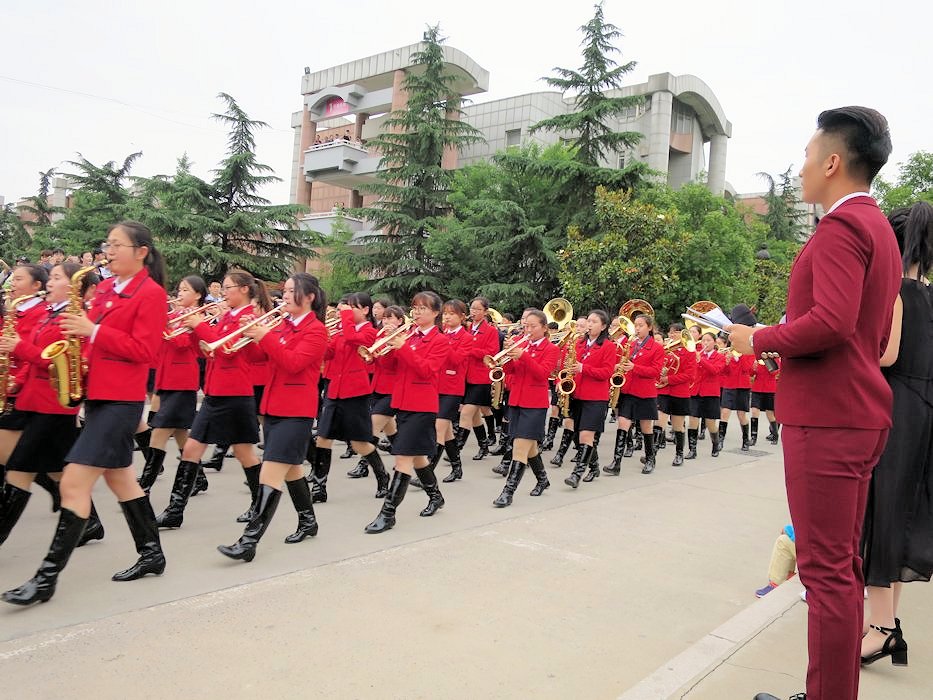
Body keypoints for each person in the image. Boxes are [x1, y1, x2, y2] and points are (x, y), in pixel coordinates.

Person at [729, 106, 900, 700]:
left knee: (825, 575)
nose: (800, 167)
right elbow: (862, 335)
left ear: (832, 161)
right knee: (841, 570)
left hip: (828, 417)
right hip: (854, 413)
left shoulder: (840, 229)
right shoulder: (877, 227)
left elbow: (831, 322)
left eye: (807, 155)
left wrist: (761, 339)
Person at [2, 221, 169, 606]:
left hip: (121, 401)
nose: (108, 250)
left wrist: (92, 331)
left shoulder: (152, 294)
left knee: (73, 484)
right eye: (107, 244)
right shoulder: (108, 288)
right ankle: (152, 553)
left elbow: (145, 353)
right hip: (96, 397)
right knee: (122, 480)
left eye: (116, 244)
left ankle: (45, 579)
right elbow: (92, 341)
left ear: (141, 251)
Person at [859, 201, 933, 667]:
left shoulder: (897, 293)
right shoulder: (931, 295)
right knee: (904, 514)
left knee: (880, 514)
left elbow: (885, 355)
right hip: (926, 409)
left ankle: (882, 628)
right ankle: (889, 622)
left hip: (897, 409)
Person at [217, 273, 328, 561]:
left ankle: (248, 542)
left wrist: (264, 335)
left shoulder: (316, 331)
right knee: (292, 470)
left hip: (297, 409)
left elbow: (293, 363)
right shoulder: (282, 325)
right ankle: (308, 520)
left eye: (292, 291)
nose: (286, 295)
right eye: (286, 290)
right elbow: (259, 359)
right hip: (275, 405)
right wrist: (249, 335)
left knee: (271, 471)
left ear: (310, 297)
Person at [154, 271, 269, 529]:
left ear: (243, 290)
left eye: (228, 288)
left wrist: (199, 325)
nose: (223, 292)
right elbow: (208, 349)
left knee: (244, 453)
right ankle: (175, 510)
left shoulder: (248, 317)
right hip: (216, 391)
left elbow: (226, 349)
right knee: (194, 449)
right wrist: (194, 330)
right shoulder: (228, 315)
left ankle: (259, 505)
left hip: (235, 392)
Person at [0, 262, 102, 549]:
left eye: (56, 277)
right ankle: (90, 520)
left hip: (53, 403)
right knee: (58, 470)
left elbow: (55, 361)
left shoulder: (72, 317)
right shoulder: (48, 314)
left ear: (73, 288)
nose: (50, 281)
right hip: (34, 400)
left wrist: (18, 348)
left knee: (19, 469)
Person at [365, 292, 451, 532]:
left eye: (424, 308)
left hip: (422, 405)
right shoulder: (409, 335)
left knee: (402, 457)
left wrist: (402, 346)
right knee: (417, 457)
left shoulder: (440, 341)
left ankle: (388, 513)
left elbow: (427, 370)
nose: (418, 311)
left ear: (436, 313)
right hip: (402, 401)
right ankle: (435, 496)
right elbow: (391, 366)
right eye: (415, 307)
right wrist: (383, 348)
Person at [311, 292, 387, 503]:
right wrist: (320, 339)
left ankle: (383, 477)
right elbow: (328, 353)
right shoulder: (343, 331)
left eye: (352, 307)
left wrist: (344, 318)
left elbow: (355, 339)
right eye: (346, 307)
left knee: (359, 443)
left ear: (365, 310)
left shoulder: (370, 331)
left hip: (355, 393)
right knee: (323, 438)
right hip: (336, 390)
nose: (346, 311)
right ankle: (319, 487)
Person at [138, 276, 209, 494]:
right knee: (181, 433)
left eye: (185, 290)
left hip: (182, 378)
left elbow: (182, 343)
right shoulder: (177, 314)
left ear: (198, 295)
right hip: (167, 376)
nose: (180, 293)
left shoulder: (197, 317)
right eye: (179, 289)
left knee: (159, 431)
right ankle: (198, 478)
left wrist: (163, 327)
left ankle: (144, 485)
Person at [493, 309, 559, 506]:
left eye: (533, 326)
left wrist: (523, 355)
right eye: (526, 326)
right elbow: (510, 371)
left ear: (544, 328)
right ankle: (543, 479)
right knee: (528, 448)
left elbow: (542, 373)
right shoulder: (524, 345)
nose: (527, 330)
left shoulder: (551, 349)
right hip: (516, 400)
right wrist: (508, 356)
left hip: (535, 404)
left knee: (519, 448)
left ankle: (508, 492)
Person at [564, 310, 615, 488]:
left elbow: (607, 373)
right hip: (577, 395)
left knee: (586, 434)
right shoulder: (578, 343)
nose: (589, 324)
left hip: (596, 398)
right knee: (579, 437)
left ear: (603, 326)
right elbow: (569, 366)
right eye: (589, 321)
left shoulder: (609, 346)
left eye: (594, 321)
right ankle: (594, 466)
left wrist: (583, 368)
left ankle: (577, 474)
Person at [456, 297, 500, 460]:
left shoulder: (491, 331)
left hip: (481, 377)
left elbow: (492, 353)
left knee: (466, 413)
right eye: (472, 309)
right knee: (474, 416)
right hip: (466, 375)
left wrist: (471, 349)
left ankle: (456, 449)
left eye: (477, 309)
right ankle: (483, 446)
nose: (473, 312)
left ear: (485, 312)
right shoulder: (467, 328)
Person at [755, 524, 797, 598]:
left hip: (818, 555)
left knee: (783, 540)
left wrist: (789, 530)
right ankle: (789, 574)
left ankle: (776, 583)